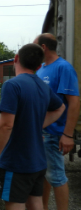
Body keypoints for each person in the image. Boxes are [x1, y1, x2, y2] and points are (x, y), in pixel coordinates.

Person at [0, 44, 65, 210]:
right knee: (35, 203)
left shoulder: (12, 85)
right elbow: (60, 107)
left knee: (15, 204)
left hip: (16, 162)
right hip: (38, 161)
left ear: (16, 58)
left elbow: (5, 126)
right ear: (39, 65)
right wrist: (37, 123)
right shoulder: (43, 86)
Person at [34, 33, 80, 210]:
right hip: (41, 132)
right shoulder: (42, 68)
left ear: (43, 48)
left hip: (54, 132)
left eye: (34, 46)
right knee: (44, 175)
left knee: (57, 177)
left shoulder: (63, 68)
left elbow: (74, 102)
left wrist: (67, 135)